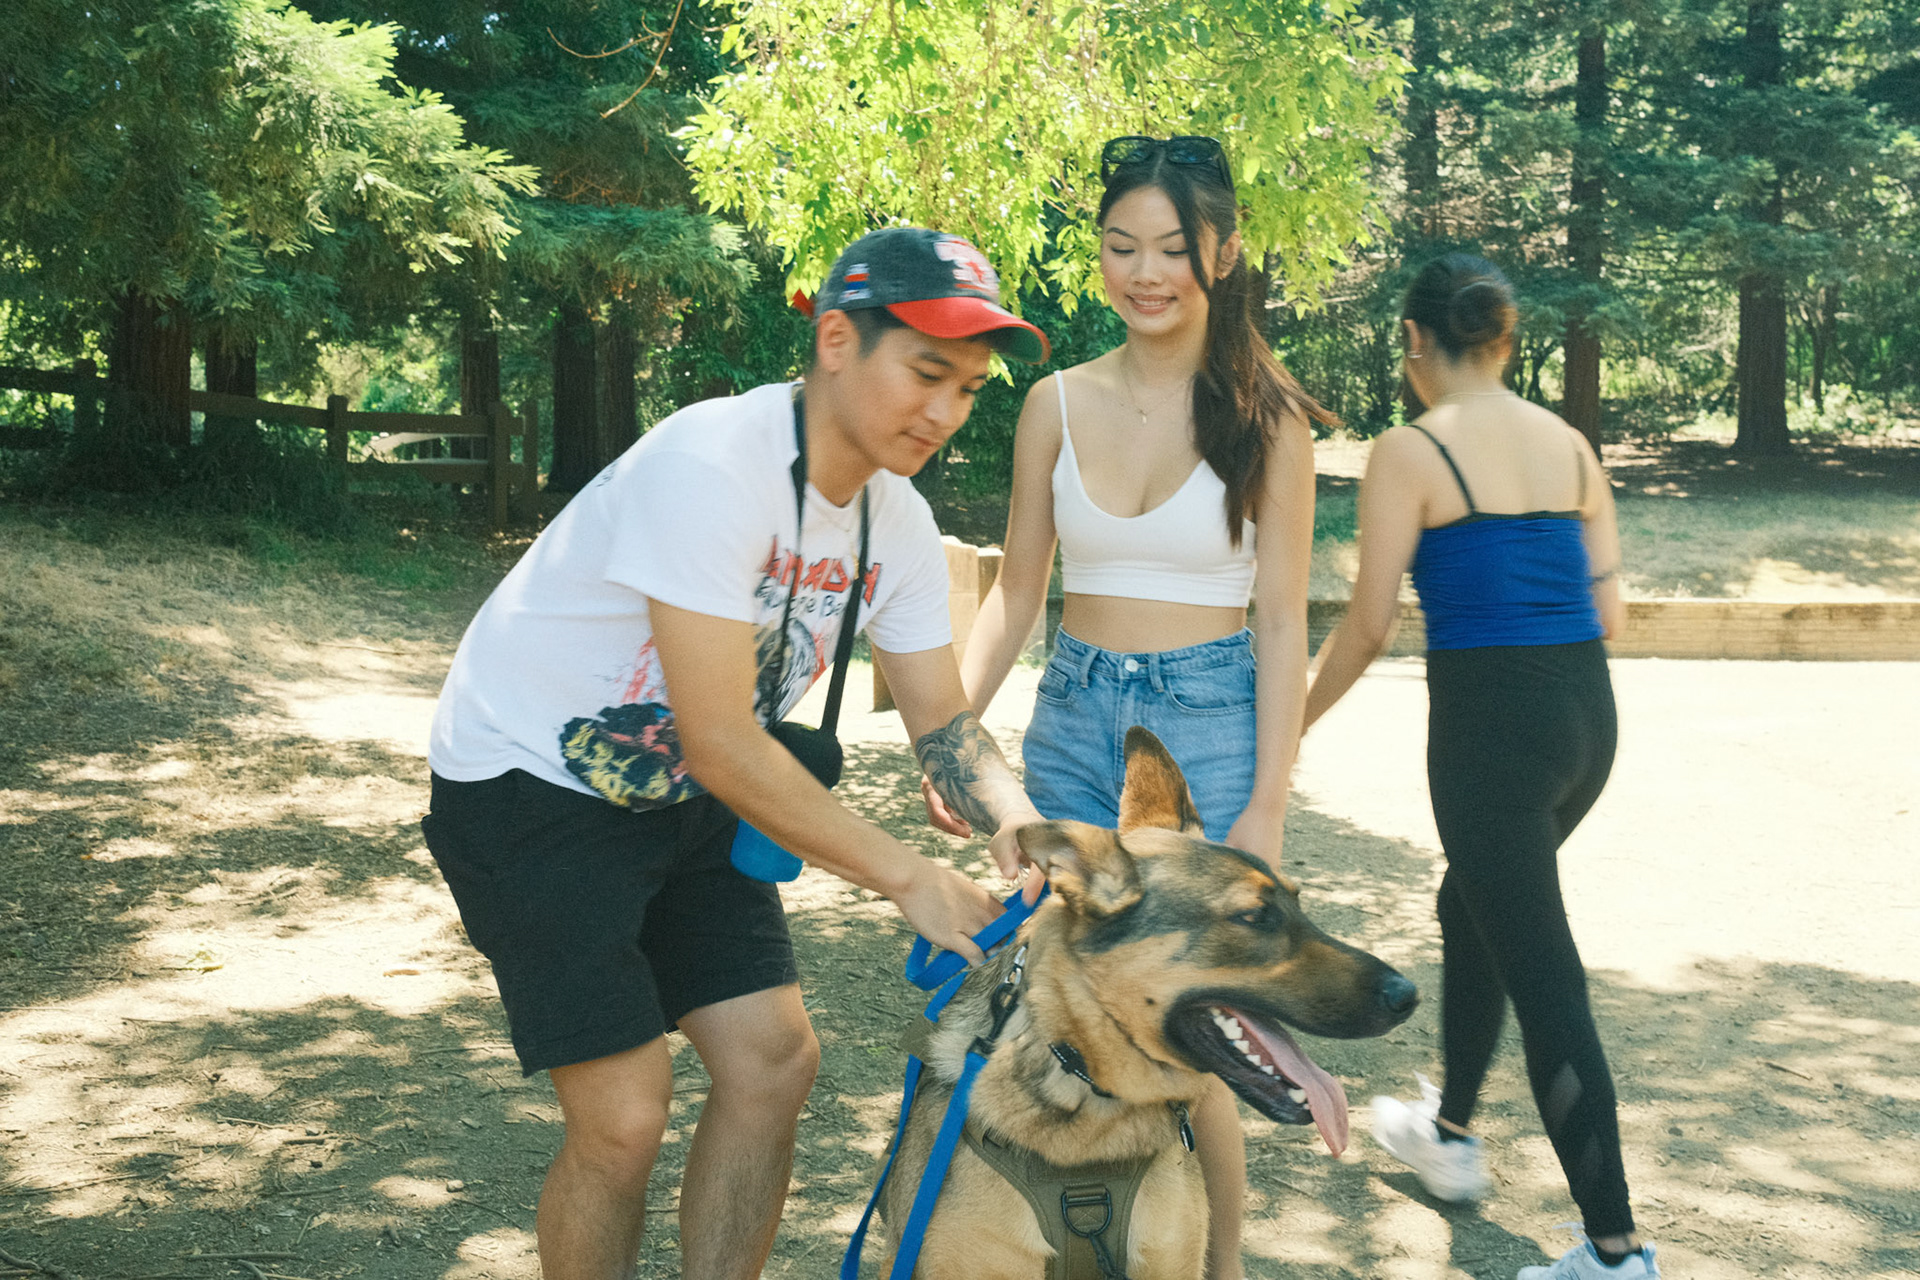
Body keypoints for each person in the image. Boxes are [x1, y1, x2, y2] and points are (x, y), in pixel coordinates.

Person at [422, 227, 1053, 1280]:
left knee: (771, 1063)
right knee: (625, 1115)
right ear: (837, 341)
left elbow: (943, 722)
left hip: (688, 789)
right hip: (532, 780)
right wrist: (909, 876)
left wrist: (1018, 820)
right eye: (926, 372)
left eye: (970, 388)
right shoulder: (712, 464)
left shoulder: (894, 518)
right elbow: (720, 741)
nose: (946, 410)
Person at [923, 134, 1326, 1280]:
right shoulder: (1052, 402)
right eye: (1121, 246)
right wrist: (949, 736)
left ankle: (1217, 1262)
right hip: (1074, 708)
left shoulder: (1270, 417)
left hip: (1209, 717)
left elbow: (1283, 619)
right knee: (1046, 996)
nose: (1145, 273)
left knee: (1197, 1027)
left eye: (1172, 248)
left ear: (1224, 253)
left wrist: (1267, 802)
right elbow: (1017, 590)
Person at [1301, 254, 1656, 1279]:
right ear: (1505, 339)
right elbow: (1611, 612)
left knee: (1547, 980)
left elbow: (1368, 625)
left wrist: (1291, 730)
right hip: (1586, 726)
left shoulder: (1410, 450)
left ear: (1416, 341)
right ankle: (1450, 1135)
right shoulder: (1571, 445)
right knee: (1473, 906)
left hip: (1489, 737)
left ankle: (1617, 1252)